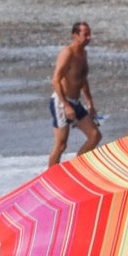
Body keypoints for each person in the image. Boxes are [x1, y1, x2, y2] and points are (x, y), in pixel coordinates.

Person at [48, 22, 101, 167]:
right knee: (61, 145)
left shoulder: (84, 53)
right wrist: (66, 105)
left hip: (76, 102)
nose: (89, 37)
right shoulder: (68, 53)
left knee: (95, 136)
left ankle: (77, 166)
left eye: (90, 34)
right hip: (61, 102)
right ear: (75, 35)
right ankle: (51, 177)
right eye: (85, 35)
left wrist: (90, 102)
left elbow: (82, 79)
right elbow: (55, 80)